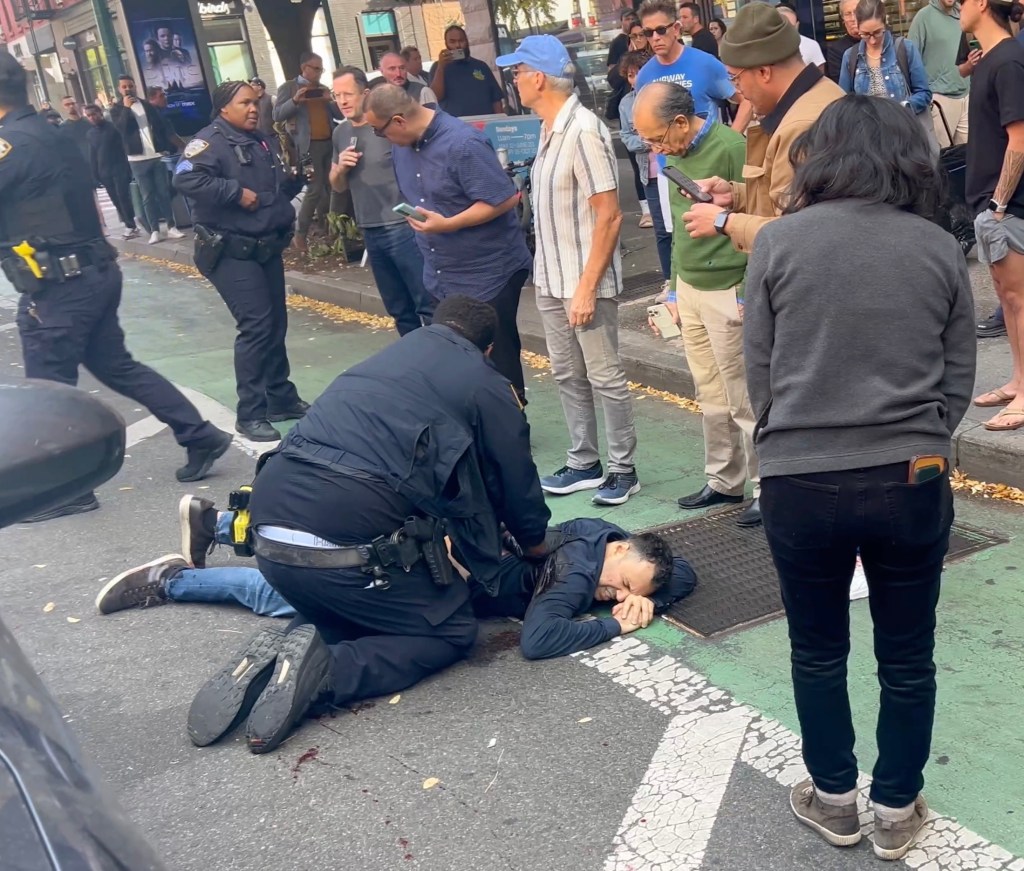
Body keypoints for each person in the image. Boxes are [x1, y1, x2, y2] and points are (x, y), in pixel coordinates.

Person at [743, 95, 976, 862]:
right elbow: (958, 371)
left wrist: (797, 430)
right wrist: (923, 436)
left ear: (825, 155)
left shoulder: (776, 243)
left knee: (817, 648)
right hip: (911, 472)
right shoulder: (938, 246)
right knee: (908, 653)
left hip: (799, 479)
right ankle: (898, 806)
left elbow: (760, 372)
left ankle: (834, 797)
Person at [182, 296, 553, 755]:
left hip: (269, 531)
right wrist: (535, 543)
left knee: (352, 610)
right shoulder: (484, 382)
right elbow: (514, 477)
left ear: (432, 326)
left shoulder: (382, 361)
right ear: (489, 349)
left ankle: (279, 657)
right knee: (448, 629)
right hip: (340, 542)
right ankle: (327, 675)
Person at [0, 53, 233, 519]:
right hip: (94, 272)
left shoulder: (11, 144)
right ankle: (200, 434)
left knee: (48, 388)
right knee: (117, 365)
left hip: (61, 283)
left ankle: (66, 488)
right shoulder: (55, 132)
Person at [97, 499, 697, 663]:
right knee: (288, 597)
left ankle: (223, 523)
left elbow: (686, 570)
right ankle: (172, 582)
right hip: (431, 578)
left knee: (320, 554)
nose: (613, 592)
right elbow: (539, 641)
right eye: (619, 581)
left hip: (435, 546)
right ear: (617, 549)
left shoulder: (600, 533)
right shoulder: (574, 575)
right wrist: (611, 626)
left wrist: (651, 596)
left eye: (625, 594)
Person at [495, 36, 639, 506]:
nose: (513, 80)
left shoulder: (583, 129)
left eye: (517, 71)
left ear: (538, 77)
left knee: (604, 375)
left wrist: (587, 287)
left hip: (582, 280)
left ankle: (623, 469)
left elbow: (610, 214)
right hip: (552, 277)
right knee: (567, 374)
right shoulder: (549, 126)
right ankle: (585, 462)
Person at [633, 81, 760, 527]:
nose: (653, 147)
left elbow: (756, 217)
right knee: (709, 391)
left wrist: (748, 289)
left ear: (682, 122)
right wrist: (671, 287)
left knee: (744, 394)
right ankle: (724, 479)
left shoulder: (731, 147)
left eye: (656, 137)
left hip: (729, 286)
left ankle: (767, 485)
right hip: (690, 283)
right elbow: (680, 231)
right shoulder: (674, 152)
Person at [363, 84, 533, 404]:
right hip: (440, 271)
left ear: (398, 121)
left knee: (497, 359)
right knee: (455, 359)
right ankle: (474, 424)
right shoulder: (402, 146)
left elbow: (505, 199)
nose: (379, 137)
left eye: (378, 130)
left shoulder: (463, 143)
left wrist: (449, 224)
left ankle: (511, 425)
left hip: (489, 270)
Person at [173, 81, 309, 443]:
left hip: (264, 247)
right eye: (245, 103)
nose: (253, 108)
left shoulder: (260, 139)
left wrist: (292, 185)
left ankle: (280, 397)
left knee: (275, 323)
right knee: (257, 327)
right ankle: (250, 413)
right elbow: (185, 177)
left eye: (256, 102)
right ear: (223, 108)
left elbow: (270, 190)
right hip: (230, 251)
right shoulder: (208, 141)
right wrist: (233, 192)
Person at [681, 3, 844, 254]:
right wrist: (736, 196)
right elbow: (797, 204)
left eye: (735, 78)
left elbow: (796, 236)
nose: (738, 91)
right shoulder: (820, 94)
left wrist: (724, 221)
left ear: (763, 72)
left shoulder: (800, 126)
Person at [634, 0, 751, 291]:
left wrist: (731, 138)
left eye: (661, 30)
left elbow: (745, 97)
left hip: (713, 161)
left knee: (728, 224)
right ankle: (677, 292)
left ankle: (737, 292)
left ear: (676, 28)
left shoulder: (704, 62)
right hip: (671, 167)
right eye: (648, 33)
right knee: (678, 234)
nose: (655, 38)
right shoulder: (646, 75)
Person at [328, 66, 434, 336]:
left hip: (404, 226)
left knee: (427, 303)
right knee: (398, 309)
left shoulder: (389, 128)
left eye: (347, 94)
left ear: (365, 94)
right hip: (370, 229)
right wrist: (340, 169)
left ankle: (440, 361)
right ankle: (413, 364)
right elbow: (337, 186)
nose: (342, 101)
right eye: (336, 95)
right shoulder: (340, 134)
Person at [961, 0, 1024, 430]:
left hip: (1008, 207)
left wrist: (999, 205)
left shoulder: (1009, 61)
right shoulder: (988, 61)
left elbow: (1019, 139)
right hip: (990, 204)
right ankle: (1019, 380)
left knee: (1020, 300)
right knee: (1006, 297)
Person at [839, 0, 936, 156]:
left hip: (904, 137)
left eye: (877, 32)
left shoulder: (905, 48)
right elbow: (844, 103)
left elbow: (924, 93)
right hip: (867, 143)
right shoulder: (850, 56)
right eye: (865, 34)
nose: (872, 40)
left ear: (885, 22)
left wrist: (903, 107)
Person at [273, 52, 341, 253]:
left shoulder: (322, 88)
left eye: (322, 69)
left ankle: (329, 229)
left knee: (333, 187)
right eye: (317, 68)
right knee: (314, 188)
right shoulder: (289, 87)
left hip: (329, 142)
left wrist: (330, 100)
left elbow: (338, 114)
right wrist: (295, 100)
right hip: (306, 147)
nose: (320, 73)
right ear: (305, 68)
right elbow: (277, 115)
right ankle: (300, 233)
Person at [109, 75, 184, 244]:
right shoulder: (116, 109)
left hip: (156, 155)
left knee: (163, 192)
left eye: (130, 85)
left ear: (135, 86)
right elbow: (121, 129)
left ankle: (171, 227)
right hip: (136, 158)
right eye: (124, 86)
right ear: (119, 89)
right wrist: (127, 109)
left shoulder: (146, 105)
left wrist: (164, 147)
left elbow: (161, 126)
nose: (128, 89)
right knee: (147, 195)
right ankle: (154, 230)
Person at [909, 0, 981, 147]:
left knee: (966, 155)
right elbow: (911, 59)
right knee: (942, 157)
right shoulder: (923, 17)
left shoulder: (964, 14)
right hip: (939, 98)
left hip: (966, 95)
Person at [85, 103, 138, 239]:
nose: (92, 118)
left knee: (123, 196)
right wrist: (94, 175)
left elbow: (123, 147)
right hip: (104, 171)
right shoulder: (90, 134)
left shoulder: (112, 128)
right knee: (115, 199)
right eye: (89, 116)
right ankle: (128, 223)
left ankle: (130, 225)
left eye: (94, 114)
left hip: (119, 167)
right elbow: (93, 155)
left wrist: (127, 167)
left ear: (100, 113)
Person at [429, 25, 505, 117]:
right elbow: (435, 97)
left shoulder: (481, 66)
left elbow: (496, 100)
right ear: (446, 44)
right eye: (452, 42)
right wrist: (441, 68)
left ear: (467, 42)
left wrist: (500, 122)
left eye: (461, 41)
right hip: (455, 126)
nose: (458, 45)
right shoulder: (437, 68)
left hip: (485, 124)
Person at [619, 51, 654, 228]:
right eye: (630, 75)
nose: (634, 79)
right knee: (662, 230)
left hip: (671, 168)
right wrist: (647, 143)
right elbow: (625, 135)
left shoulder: (664, 94)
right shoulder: (625, 103)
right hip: (647, 170)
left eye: (638, 73)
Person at [777, 3, 827, 71]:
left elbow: (821, 77)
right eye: (783, 27)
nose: (788, 31)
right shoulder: (764, 47)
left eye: (792, 26)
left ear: (797, 25)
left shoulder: (811, 45)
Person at [827, 0, 862, 82]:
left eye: (857, 12)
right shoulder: (836, 50)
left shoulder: (881, 41)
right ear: (843, 19)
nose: (853, 18)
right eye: (848, 14)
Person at [59, 96, 92, 177]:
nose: (71, 106)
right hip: (79, 165)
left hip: (95, 161)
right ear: (63, 107)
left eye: (73, 103)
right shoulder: (62, 128)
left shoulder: (90, 122)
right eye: (67, 104)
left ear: (77, 104)